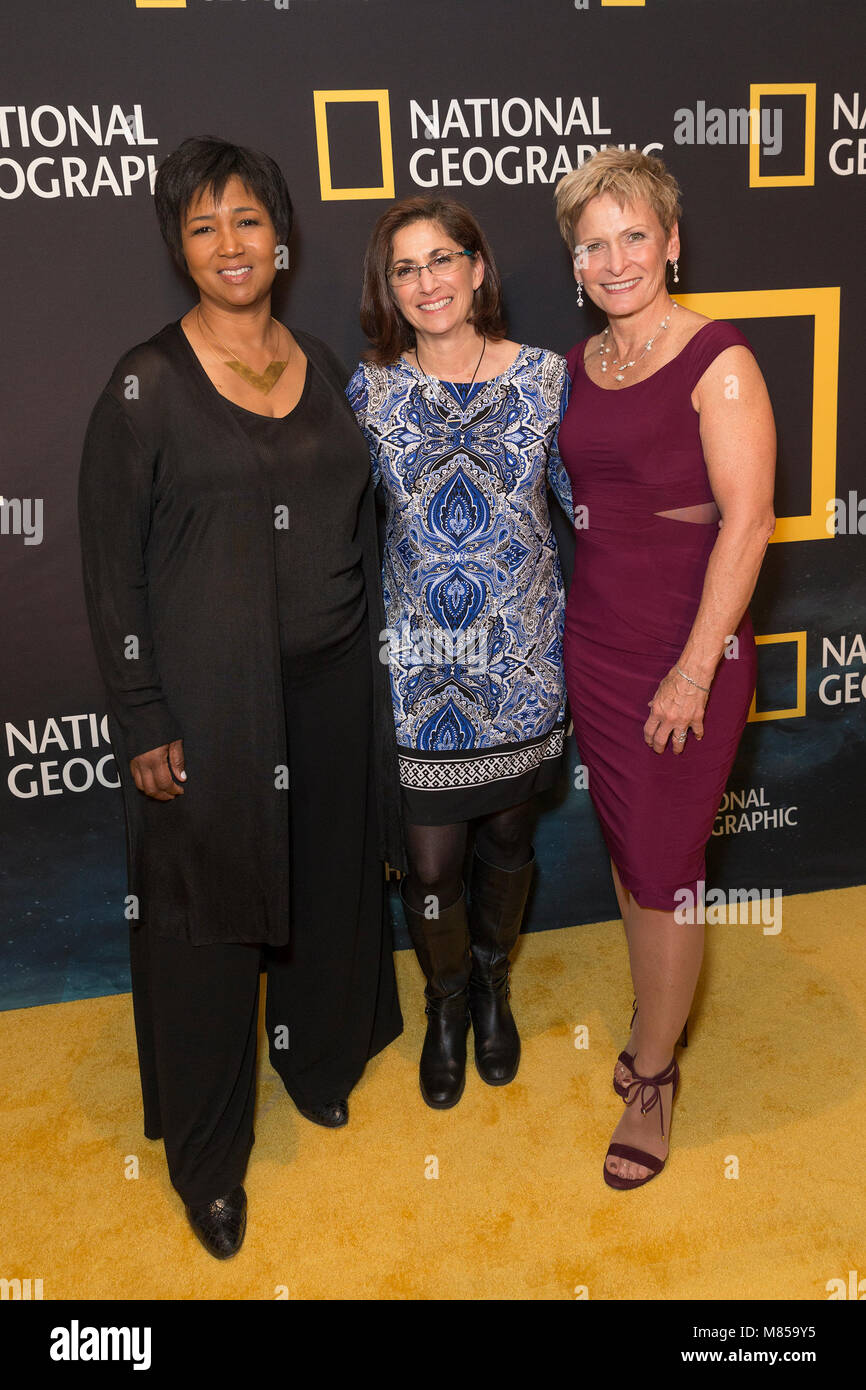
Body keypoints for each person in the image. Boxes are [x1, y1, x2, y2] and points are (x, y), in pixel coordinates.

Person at [78, 137, 403, 1257]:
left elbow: (357, 516)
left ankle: (315, 1059)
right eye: (205, 224)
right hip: (211, 708)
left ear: (284, 237)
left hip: (327, 688)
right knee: (207, 923)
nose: (231, 243)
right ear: (180, 244)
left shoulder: (317, 359)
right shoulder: (145, 385)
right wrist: (141, 710)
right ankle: (210, 1160)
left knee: (320, 883)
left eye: (248, 221)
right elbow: (109, 563)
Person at [554, 149, 776, 1189]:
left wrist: (692, 669)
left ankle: (652, 1075)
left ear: (672, 242)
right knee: (630, 850)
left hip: (686, 653)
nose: (614, 257)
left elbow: (746, 519)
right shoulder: (576, 364)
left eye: (633, 234)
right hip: (595, 644)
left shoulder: (718, 357)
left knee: (664, 864)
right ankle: (656, 1015)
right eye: (592, 242)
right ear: (574, 264)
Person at [347, 196, 573, 1110]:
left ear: (479, 269)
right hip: (421, 675)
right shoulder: (372, 391)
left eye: (443, 259)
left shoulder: (549, 380)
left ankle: (492, 984)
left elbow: (591, 509)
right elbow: (335, 521)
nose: (427, 281)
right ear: (389, 288)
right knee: (432, 864)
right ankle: (444, 1005)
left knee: (509, 844)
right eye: (405, 268)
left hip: (520, 667)